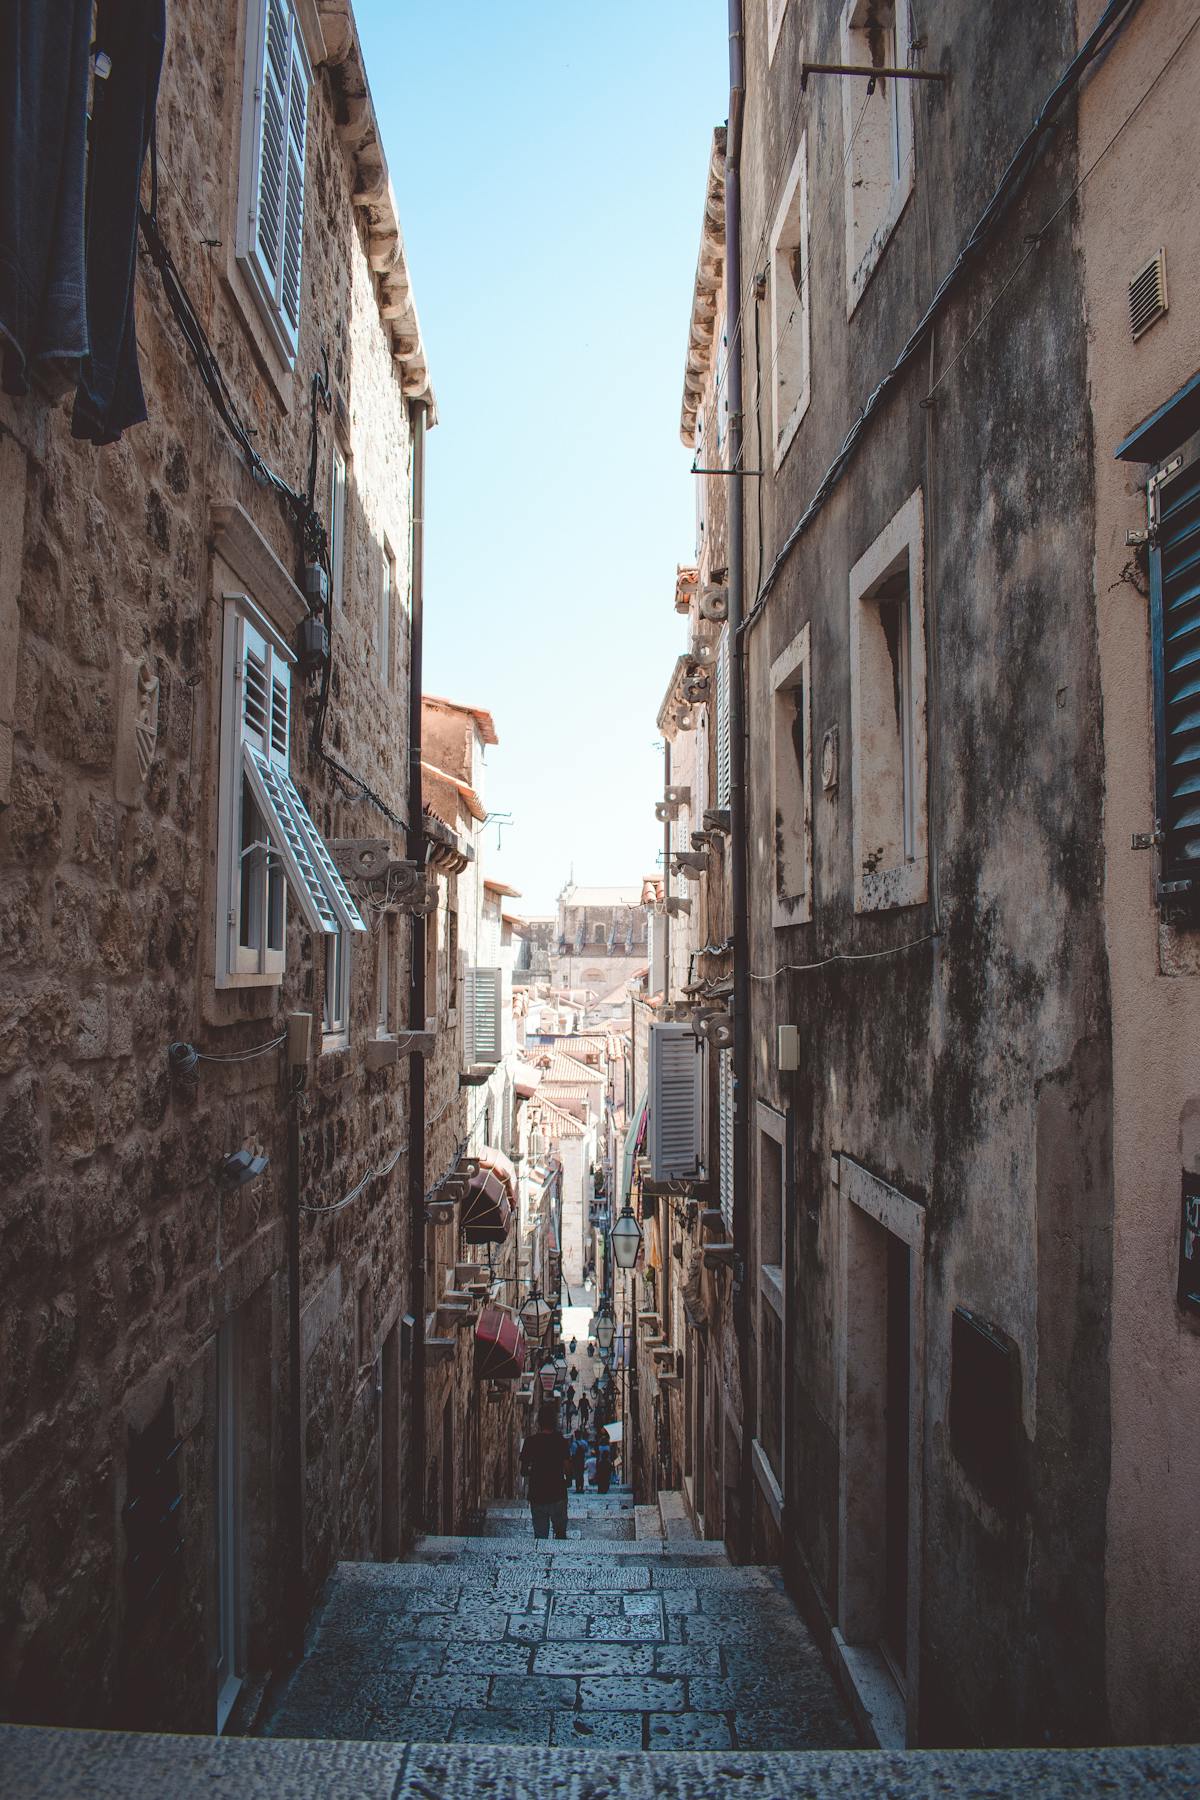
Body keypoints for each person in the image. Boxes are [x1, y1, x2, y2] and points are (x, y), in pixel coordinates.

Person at [519, 1402, 572, 1540]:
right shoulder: (560, 1441)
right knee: (560, 1535)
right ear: (554, 1421)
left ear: (539, 1421)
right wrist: (568, 1481)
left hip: (538, 1495)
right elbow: (567, 1467)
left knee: (540, 1537)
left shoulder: (530, 1442)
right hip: (558, 1493)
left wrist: (536, 1472)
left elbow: (523, 1471)